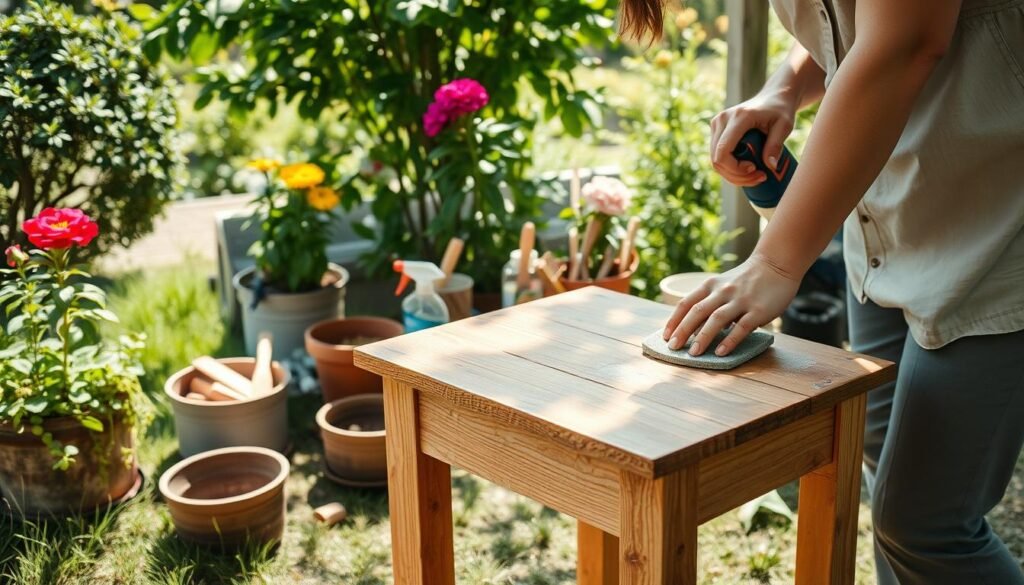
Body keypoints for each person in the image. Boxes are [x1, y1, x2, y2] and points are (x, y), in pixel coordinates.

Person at [619, 0, 1024, 583]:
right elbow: (852, 23)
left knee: (925, 525)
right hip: (888, 223)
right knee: (887, 473)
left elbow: (905, 42)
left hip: (997, 228)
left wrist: (775, 263)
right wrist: (783, 88)